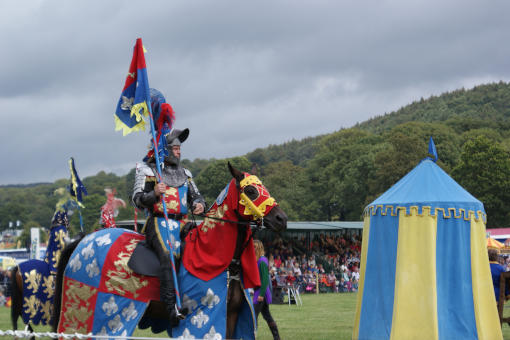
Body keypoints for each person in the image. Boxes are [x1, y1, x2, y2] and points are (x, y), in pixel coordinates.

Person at [132, 123, 206, 326]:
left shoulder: (186, 174)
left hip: (183, 223)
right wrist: (154, 193)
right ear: (164, 150)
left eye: (179, 148)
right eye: (175, 147)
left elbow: (197, 197)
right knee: (168, 256)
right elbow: (137, 200)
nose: (179, 151)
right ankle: (171, 308)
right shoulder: (148, 170)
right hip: (159, 222)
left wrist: (199, 205)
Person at [253, 240, 281, 340]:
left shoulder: (262, 260)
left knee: (253, 317)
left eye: (255, 247)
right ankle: (277, 338)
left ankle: (252, 337)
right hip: (259, 291)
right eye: (252, 246)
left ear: (260, 248)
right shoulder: (258, 260)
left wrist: (261, 294)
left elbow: (265, 279)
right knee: (267, 316)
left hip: (261, 293)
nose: (253, 248)